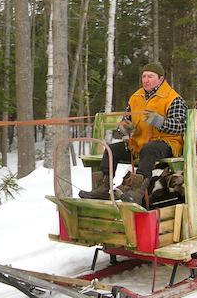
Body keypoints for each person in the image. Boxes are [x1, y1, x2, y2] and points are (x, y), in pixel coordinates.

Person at [79, 62, 187, 199]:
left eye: (150, 76)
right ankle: (103, 187)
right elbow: (126, 118)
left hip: (166, 142)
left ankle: (137, 192)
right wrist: (125, 127)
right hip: (138, 142)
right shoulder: (136, 97)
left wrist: (159, 121)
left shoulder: (173, 98)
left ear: (161, 79)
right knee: (111, 150)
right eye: (144, 76)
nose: (146, 80)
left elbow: (180, 125)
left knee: (149, 149)